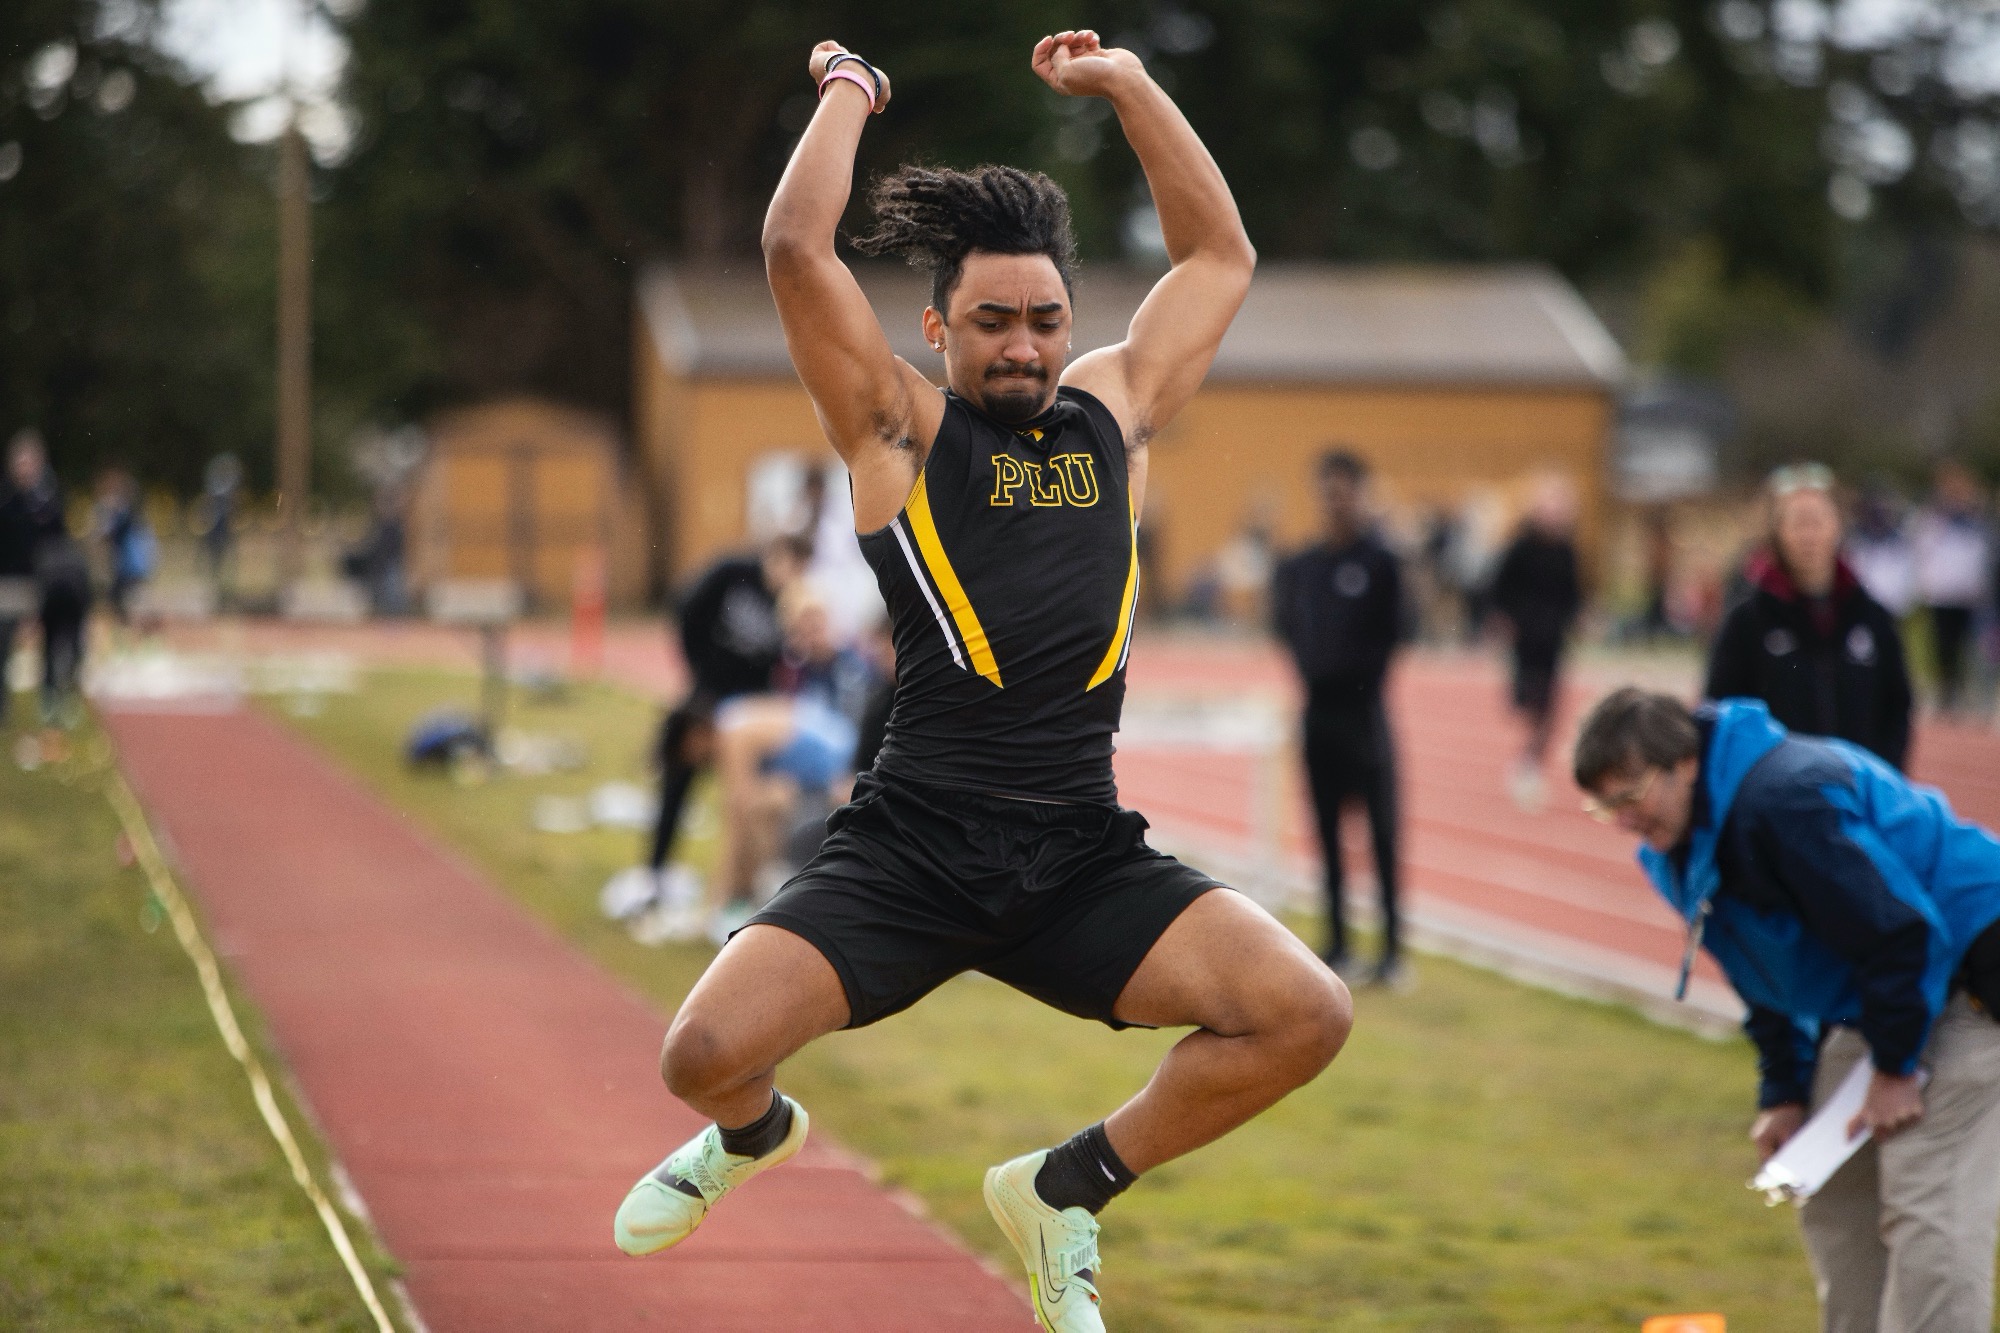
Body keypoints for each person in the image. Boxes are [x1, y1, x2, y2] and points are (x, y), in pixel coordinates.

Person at [612, 34, 1351, 1332]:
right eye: (995, 321)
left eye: (1047, 320)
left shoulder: (1111, 413)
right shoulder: (898, 428)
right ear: (940, 325)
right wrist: (849, 90)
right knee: (701, 1057)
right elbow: (797, 252)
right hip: (916, 845)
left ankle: (1065, 1188)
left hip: (1077, 850)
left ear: (1075, 324)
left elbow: (1216, 258)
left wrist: (1128, 87)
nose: (1023, 347)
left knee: (1304, 1012)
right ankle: (751, 1137)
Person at [1573, 688, 2000, 1333]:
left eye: (1630, 796)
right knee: (1831, 1187)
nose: (1623, 819)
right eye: (1603, 806)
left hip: (1972, 965)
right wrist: (1785, 1090)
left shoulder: (1785, 801)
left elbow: (1902, 931)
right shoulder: (1674, 849)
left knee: (1926, 1198)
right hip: (1888, 988)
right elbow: (1761, 973)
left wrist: (1894, 1070)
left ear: (1685, 763)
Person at [1271, 450, 1405, 981]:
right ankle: (1338, 943)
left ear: (1363, 493)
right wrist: (1313, 669)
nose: (1336, 500)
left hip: (1365, 715)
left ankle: (1391, 951)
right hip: (1317, 717)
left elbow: (1393, 634)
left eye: (1346, 489)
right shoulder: (1304, 565)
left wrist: (1348, 674)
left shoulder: (1382, 563)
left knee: (1382, 834)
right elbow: (1286, 625)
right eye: (1328, 490)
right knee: (1325, 834)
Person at [638, 536, 808, 922]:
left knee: (746, 800)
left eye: (798, 570)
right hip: (706, 699)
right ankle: (655, 872)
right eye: (787, 564)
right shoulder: (733, 574)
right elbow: (686, 608)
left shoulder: (790, 603)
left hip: (748, 715)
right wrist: (698, 671)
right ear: (773, 555)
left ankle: (745, 890)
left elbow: (787, 663)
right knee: (678, 776)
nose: (789, 575)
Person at [1705, 464, 1912, 771]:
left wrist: (1884, 777)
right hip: (1779, 795)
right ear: (1777, 532)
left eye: (1818, 521)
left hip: (1858, 791)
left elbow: (1897, 706)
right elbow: (1722, 710)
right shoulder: (1747, 620)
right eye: (1798, 523)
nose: (1808, 535)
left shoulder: (1872, 616)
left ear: (1838, 525)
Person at [1489, 475, 1583, 810]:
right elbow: (1499, 588)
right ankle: (1528, 753)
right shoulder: (1520, 547)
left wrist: (1579, 617)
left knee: (1549, 711)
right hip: (1524, 641)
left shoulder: (1567, 550)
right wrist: (1504, 619)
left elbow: (1574, 593)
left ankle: (1529, 763)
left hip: (1553, 640)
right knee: (1526, 701)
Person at [1911, 459, 1992, 715]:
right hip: (1942, 594)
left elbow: (1983, 555)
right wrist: (1927, 584)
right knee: (1943, 646)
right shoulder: (1933, 519)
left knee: (1970, 646)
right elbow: (1923, 551)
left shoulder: (1977, 520)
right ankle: (1947, 692)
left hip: (1969, 594)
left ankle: (1968, 691)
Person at [0, 432, 68, 724]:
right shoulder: (6, 499)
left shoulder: (49, 500)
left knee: (54, 641)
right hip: (8, 582)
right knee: (3, 643)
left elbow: (58, 543)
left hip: (43, 583)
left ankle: (51, 701)